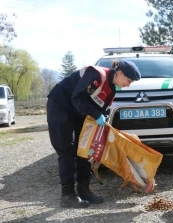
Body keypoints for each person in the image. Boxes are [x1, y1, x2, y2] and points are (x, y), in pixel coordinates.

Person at [47, 59, 141, 208]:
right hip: (61, 105)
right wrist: (96, 115)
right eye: (128, 80)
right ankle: (68, 195)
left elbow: (103, 110)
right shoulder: (96, 74)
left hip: (80, 111)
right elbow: (77, 97)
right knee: (66, 150)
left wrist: (104, 122)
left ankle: (84, 190)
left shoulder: (112, 90)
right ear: (120, 72)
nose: (128, 85)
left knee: (85, 149)